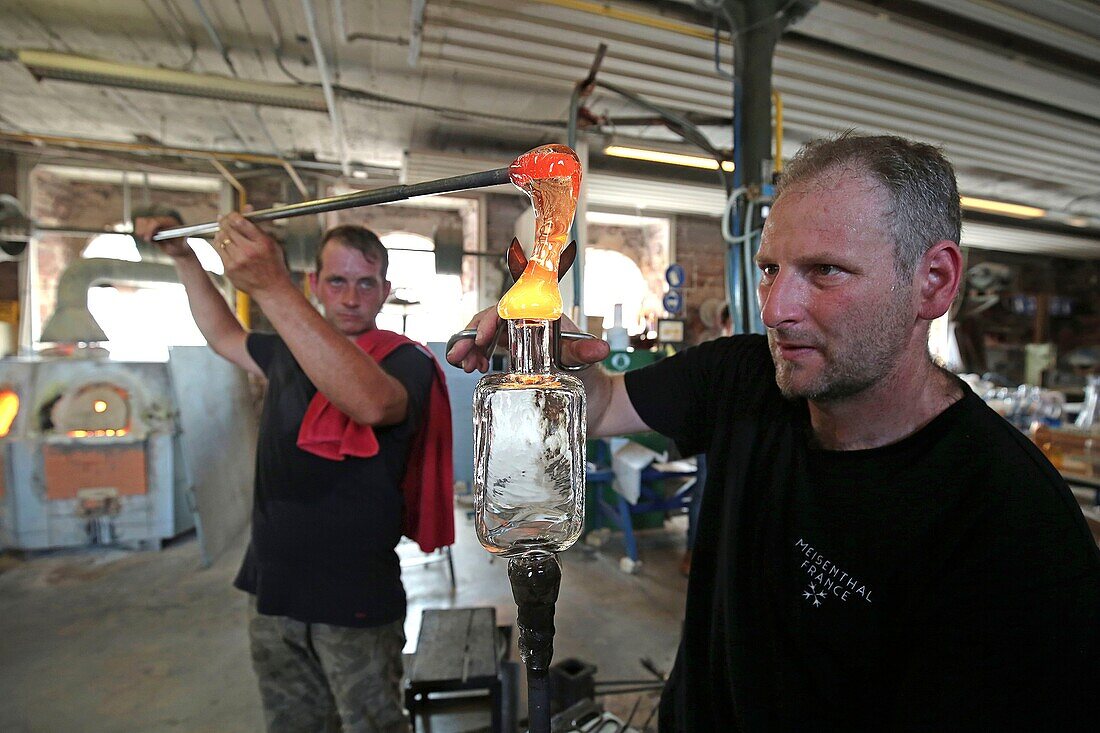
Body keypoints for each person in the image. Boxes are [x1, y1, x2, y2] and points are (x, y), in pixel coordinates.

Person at [448, 133, 1100, 730]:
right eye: (769, 269)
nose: (777, 309)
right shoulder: (748, 377)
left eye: (825, 271)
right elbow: (605, 402)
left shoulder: (1015, 525)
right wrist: (547, 360)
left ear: (933, 283)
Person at [137, 213, 454, 733]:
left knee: (372, 724)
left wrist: (272, 287)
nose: (351, 297)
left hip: (353, 595)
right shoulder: (288, 350)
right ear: (316, 285)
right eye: (337, 281)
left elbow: (371, 405)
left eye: (365, 282)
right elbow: (222, 335)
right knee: (292, 724)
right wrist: (184, 258)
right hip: (273, 586)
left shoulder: (404, 363)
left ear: (385, 291)